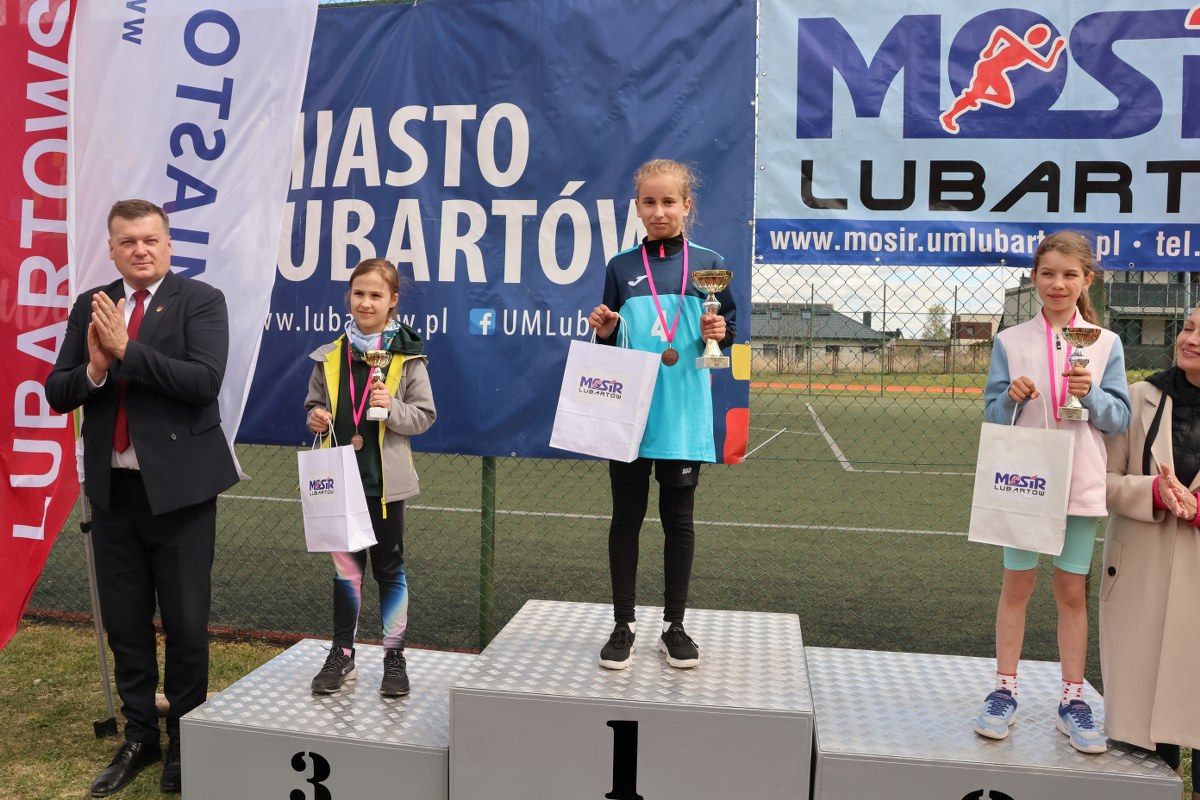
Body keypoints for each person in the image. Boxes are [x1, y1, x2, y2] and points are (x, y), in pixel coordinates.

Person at [45, 199, 240, 796]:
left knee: (185, 625)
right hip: (113, 496)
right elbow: (58, 391)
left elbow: (202, 382)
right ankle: (140, 737)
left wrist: (127, 351)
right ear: (111, 249)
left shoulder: (201, 301)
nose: (140, 250)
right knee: (126, 623)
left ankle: (184, 736)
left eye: (150, 239)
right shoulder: (92, 305)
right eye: (127, 241)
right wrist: (95, 369)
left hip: (180, 496)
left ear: (168, 244)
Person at [972, 231, 1131, 753]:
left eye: (1069, 274)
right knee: (1017, 586)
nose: (1057, 284)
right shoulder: (1010, 341)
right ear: (1034, 278)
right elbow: (993, 414)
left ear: (1088, 280)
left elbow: (1119, 419)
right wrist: (1012, 397)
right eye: (1047, 273)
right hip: (1025, 482)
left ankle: (1072, 698)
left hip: (1079, 482)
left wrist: (1094, 396)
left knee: (1071, 591)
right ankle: (1004, 690)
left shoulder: (1104, 342)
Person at [587, 159, 735, 670]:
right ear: (637, 208)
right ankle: (623, 624)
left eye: (669, 201)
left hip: (683, 415)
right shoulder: (620, 267)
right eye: (649, 202)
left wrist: (721, 333)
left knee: (679, 521)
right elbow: (611, 342)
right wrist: (606, 330)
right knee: (626, 519)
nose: (659, 211)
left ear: (686, 205)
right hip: (631, 414)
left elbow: (729, 331)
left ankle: (674, 625)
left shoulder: (711, 264)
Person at [304, 258, 435, 697]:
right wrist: (316, 416)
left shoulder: (408, 356)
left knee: (390, 571)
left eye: (376, 295)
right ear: (349, 297)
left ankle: (394, 656)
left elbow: (424, 416)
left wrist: (391, 407)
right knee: (346, 573)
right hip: (340, 485)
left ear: (392, 301)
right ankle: (342, 654)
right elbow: (313, 404)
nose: (366, 302)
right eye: (359, 293)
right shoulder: (330, 354)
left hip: (384, 489)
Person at [1101, 302, 1200, 791]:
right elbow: (1102, 482)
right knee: (1140, 745)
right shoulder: (1139, 397)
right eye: (1188, 327)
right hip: (1138, 572)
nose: (1191, 340)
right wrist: (1154, 493)